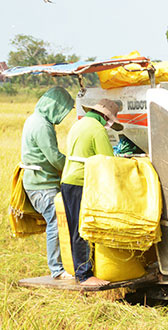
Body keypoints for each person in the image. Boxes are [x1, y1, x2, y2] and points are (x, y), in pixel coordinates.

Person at [60, 99, 123, 288]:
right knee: (84, 229)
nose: (108, 123)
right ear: (105, 116)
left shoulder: (78, 124)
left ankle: (80, 271)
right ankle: (85, 275)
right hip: (81, 182)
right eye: (109, 120)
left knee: (75, 229)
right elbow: (107, 160)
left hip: (67, 181)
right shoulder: (97, 129)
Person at [20, 87, 74, 279]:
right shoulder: (42, 125)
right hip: (42, 185)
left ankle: (62, 266)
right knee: (55, 223)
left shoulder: (33, 119)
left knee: (56, 222)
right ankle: (57, 270)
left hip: (36, 182)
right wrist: (73, 163)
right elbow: (54, 158)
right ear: (54, 106)